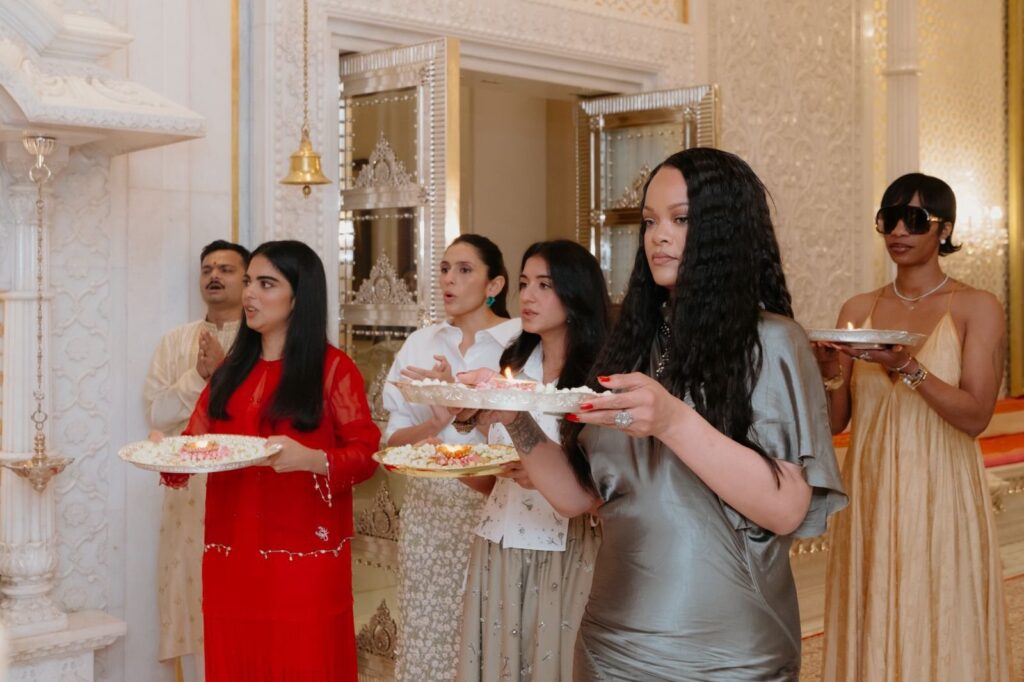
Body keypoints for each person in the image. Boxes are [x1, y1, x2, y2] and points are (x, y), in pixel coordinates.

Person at [469, 148, 847, 680]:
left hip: (727, 653)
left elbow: (786, 509)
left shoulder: (772, 342)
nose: (657, 236)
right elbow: (579, 498)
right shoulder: (631, 347)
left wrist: (672, 421)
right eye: (649, 221)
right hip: (611, 643)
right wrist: (511, 414)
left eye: (680, 219)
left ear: (724, 230)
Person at [157, 240, 380, 680]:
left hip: (303, 557)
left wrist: (312, 459)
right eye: (250, 284)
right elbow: (195, 444)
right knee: (237, 659)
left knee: (302, 662)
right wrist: (167, 453)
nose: (250, 295)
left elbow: (367, 453)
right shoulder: (230, 371)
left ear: (299, 297)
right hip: (230, 553)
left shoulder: (333, 369)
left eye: (266, 284)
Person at [819, 173, 1013, 681]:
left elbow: (975, 416)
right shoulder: (858, 309)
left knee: (941, 610)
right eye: (890, 218)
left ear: (943, 230)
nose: (899, 230)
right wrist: (826, 372)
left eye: (916, 219)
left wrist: (907, 366)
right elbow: (838, 422)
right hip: (871, 487)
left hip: (943, 487)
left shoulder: (976, 306)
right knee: (873, 604)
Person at [455, 240, 608, 682]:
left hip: (564, 548)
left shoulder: (596, 382)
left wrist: (543, 474)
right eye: (524, 284)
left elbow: (605, 487)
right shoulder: (511, 370)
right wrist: (456, 432)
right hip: (498, 542)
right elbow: (489, 478)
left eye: (545, 284)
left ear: (576, 293)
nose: (529, 296)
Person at [381, 234, 520, 682]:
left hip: (495, 504)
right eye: (443, 269)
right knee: (427, 629)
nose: (449, 280)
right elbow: (392, 442)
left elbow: (528, 435)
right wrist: (433, 419)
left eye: (464, 270)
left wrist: (462, 405)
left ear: (494, 284)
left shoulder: (517, 342)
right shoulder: (421, 343)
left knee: (489, 628)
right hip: (429, 510)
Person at [143, 239, 249, 680]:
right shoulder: (175, 342)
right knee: (189, 598)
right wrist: (198, 376)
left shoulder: (263, 339)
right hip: (188, 493)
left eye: (226, 268)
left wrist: (224, 373)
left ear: (248, 281)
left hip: (245, 487)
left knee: (243, 601)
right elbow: (157, 412)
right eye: (207, 268)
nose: (214, 276)